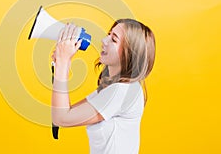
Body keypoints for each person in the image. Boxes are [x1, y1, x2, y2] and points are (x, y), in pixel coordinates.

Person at [51, 19, 156, 154]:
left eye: (114, 39)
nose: (104, 40)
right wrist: (61, 64)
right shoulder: (114, 89)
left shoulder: (122, 91)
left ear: (129, 53)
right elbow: (65, 111)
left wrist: (63, 62)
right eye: (108, 34)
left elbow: (62, 118)